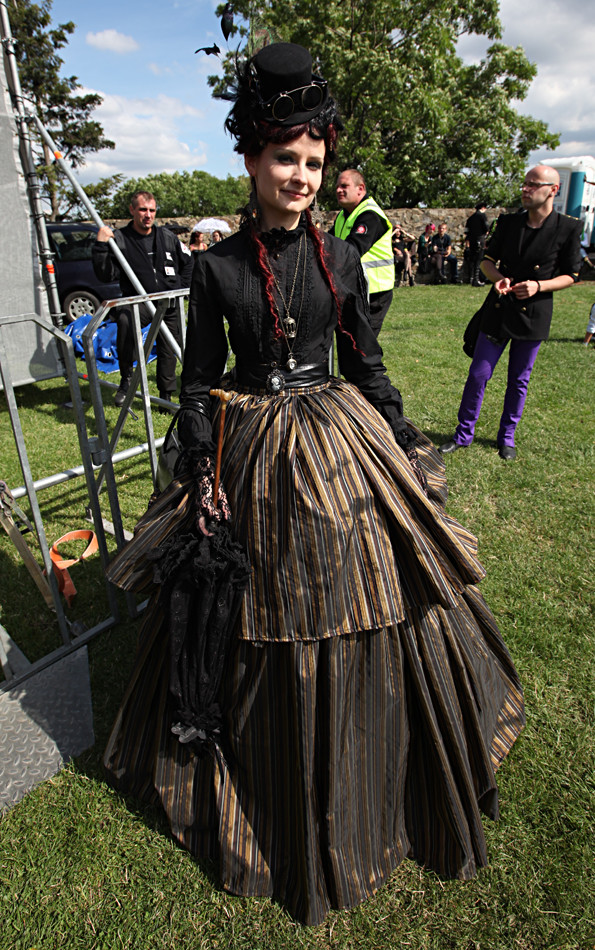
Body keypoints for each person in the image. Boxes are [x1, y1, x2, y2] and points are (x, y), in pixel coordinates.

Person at [103, 42, 525, 927]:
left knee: (373, 592)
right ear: (252, 160)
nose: (299, 177)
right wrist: (197, 456)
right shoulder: (213, 268)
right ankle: (270, 772)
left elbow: (363, 363)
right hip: (252, 446)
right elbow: (197, 380)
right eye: (283, 160)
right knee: (257, 611)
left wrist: (402, 440)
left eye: (312, 162)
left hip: (337, 440)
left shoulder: (338, 258)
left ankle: (381, 764)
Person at [439, 166, 581, 461]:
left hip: (534, 312)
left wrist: (539, 286)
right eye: (525, 184)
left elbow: (571, 275)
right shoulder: (508, 222)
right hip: (500, 308)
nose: (525, 189)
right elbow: (487, 262)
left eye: (533, 185)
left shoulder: (568, 227)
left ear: (553, 190)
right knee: (479, 374)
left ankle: (507, 437)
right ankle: (463, 434)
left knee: (519, 379)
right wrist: (498, 278)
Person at [93, 191, 193, 406]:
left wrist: (180, 288)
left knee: (168, 348)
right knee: (125, 321)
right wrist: (101, 246)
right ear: (132, 210)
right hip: (138, 301)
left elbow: (189, 263)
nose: (148, 215)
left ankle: (166, 395)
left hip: (168, 301)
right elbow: (105, 274)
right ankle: (127, 378)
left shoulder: (167, 237)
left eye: (151, 210)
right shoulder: (119, 238)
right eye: (142, 210)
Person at [330, 168, 395, 335]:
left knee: (364, 348)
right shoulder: (343, 216)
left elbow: (352, 250)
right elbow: (328, 242)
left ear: (361, 189)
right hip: (354, 290)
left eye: (344, 186)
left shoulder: (370, 215)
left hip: (374, 293)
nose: (338, 190)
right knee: (349, 344)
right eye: (337, 186)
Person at [465, 202, 490, 286]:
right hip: (480, 239)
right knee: (478, 259)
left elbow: (466, 231)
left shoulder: (470, 218)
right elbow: (486, 228)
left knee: (472, 259)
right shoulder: (482, 216)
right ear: (483, 208)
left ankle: (471, 278)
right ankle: (476, 279)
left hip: (472, 240)